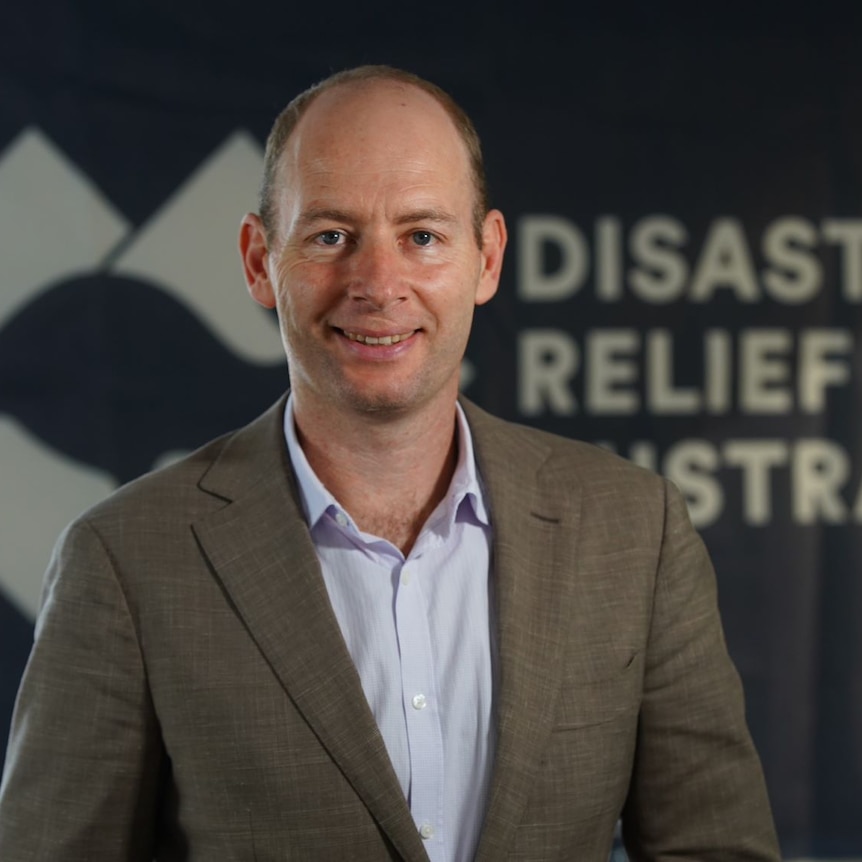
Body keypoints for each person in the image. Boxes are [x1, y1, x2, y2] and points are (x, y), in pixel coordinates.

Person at [0, 65, 780, 861]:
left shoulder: (633, 531)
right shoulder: (127, 559)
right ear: (258, 260)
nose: (378, 284)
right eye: (331, 236)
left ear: (487, 258)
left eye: (423, 237)